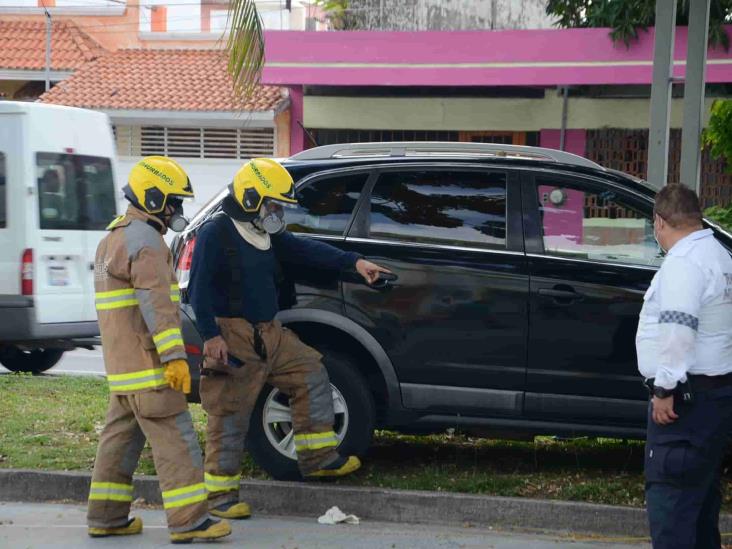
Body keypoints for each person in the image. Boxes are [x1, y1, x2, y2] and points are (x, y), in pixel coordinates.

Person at [188, 158, 389, 520]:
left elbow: (304, 250)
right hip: (232, 336)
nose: (278, 211)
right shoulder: (216, 233)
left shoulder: (264, 232)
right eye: (273, 203)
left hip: (269, 332)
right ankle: (219, 498)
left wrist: (354, 262)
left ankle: (318, 458)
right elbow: (199, 290)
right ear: (251, 198)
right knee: (229, 415)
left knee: (310, 370)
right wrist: (210, 336)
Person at [88, 156, 231, 544]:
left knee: (117, 443)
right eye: (173, 203)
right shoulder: (147, 242)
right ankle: (191, 522)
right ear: (152, 198)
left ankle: (107, 517)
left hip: (122, 372)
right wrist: (174, 358)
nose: (177, 211)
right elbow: (158, 307)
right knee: (177, 442)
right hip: (151, 370)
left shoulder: (112, 238)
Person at [636, 184, 732, 549]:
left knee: (672, 508)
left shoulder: (683, 262)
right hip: (714, 399)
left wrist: (664, 389)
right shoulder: (719, 256)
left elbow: (678, 329)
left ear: (659, 222)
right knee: (699, 507)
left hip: (684, 404)